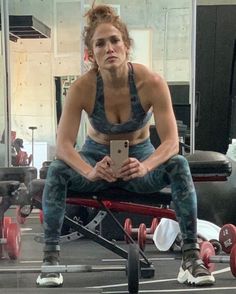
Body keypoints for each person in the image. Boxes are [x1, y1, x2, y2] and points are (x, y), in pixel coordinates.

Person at [36, 3, 215, 287]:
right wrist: (89, 171)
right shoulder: (82, 88)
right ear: (91, 53)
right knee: (58, 170)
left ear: (126, 45)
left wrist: (146, 166)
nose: (109, 48)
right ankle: (50, 260)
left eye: (115, 40)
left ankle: (190, 259)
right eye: (100, 43)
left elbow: (170, 143)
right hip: (96, 162)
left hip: (139, 165)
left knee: (179, 164)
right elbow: (64, 146)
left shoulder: (151, 82)